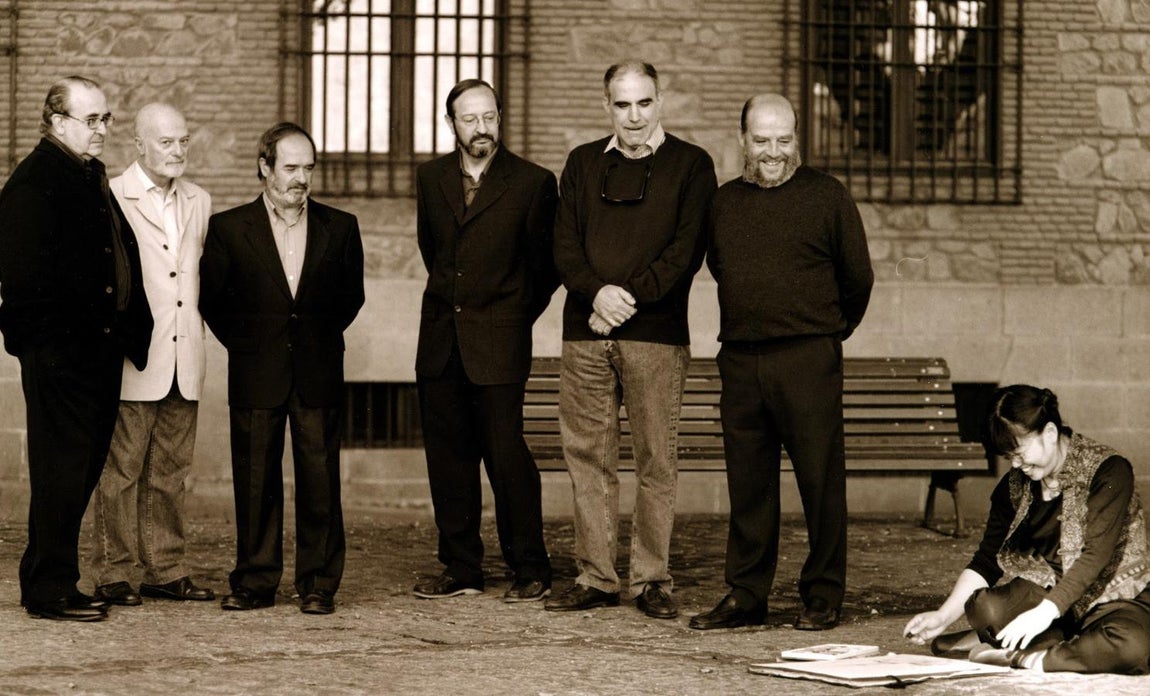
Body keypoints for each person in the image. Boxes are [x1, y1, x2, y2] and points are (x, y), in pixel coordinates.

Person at [690, 94, 873, 632]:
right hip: (742, 361)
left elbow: (857, 279)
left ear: (798, 138)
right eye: (762, 140)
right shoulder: (723, 203)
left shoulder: (827, 197)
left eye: (784, 139)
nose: (774, 151)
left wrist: (825, 333)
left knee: (820, 481)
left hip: (807, 359)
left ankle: (822, 595)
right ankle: (747, 594)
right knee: (749, 484)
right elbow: (724, 268)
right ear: (743, 139)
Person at [544, 61, 717, 620]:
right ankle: (595, 576)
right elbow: (563, 244)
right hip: (585, 333)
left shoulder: (691, 165)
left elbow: (685, 253)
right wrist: (596, 295)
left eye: (644, 103)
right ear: (607, 107)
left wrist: (623, 302)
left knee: (654, 459)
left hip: (656, 336)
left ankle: (650, 581)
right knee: (588, 458)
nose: (634, 115)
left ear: (660, 102)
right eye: (622, 104)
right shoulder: (581, 162)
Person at [0, 76, 153, 621]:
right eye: (92, 120)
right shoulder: (35, 180)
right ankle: (48, 589)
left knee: (80, 470)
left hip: (96, 353)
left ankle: (52, 577)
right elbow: (20, 281)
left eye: (106, 119)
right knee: (61, 471)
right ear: (58, 122)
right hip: (62, 357)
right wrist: (55, 348)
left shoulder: (85, 173)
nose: (103, 130)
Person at [199, 122, 365, 615]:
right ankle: (254, 581)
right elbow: (214, 300)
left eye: (308, 168)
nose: (300, 179)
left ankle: (318, 584)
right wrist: (251, 346)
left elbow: (350, 297)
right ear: (264, 167)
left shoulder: (341, 226)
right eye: (290, 168)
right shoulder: (229, 228)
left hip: (317, 370)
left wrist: (313, 339)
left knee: (320, 480)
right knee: (255, 482)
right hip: (256, 371)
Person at [411, 79, 559, 602]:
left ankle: (530, 567)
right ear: (450, 124)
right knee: (448, 458)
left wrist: (510, 315)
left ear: (500, 117)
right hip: (440, 342)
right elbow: (435, 251)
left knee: (505, 455)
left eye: (489, 116)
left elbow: (545, 269)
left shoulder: (533, 182)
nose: (481, 128)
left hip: (499, 341)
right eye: (469, 118)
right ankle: (461, 568)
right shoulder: (430, 178)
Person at [904, 385, 1150, 674]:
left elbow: (1096, 555)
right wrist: (942, 617)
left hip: (1112, 594)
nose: (1017, 465)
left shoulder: (1109, 470)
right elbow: (986, 561)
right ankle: (1056, 644)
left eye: (1020, 453)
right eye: (1010, 458)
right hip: (1046, 590)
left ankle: (1028, 656)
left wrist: (1044, 613)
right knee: (986, 608)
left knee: (1132, 647)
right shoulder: (1015, 486)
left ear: (1049, 433)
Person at [89, 103, 215, 607]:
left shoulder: (200, 200)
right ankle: (113, 572)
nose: (177, 151)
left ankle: (166, 568)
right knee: (120, 471)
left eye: (183, 141)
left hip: (186, 356)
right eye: (166, 142)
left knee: (169, 471)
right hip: (134, 355)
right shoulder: (112, 195)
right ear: (138, 144)